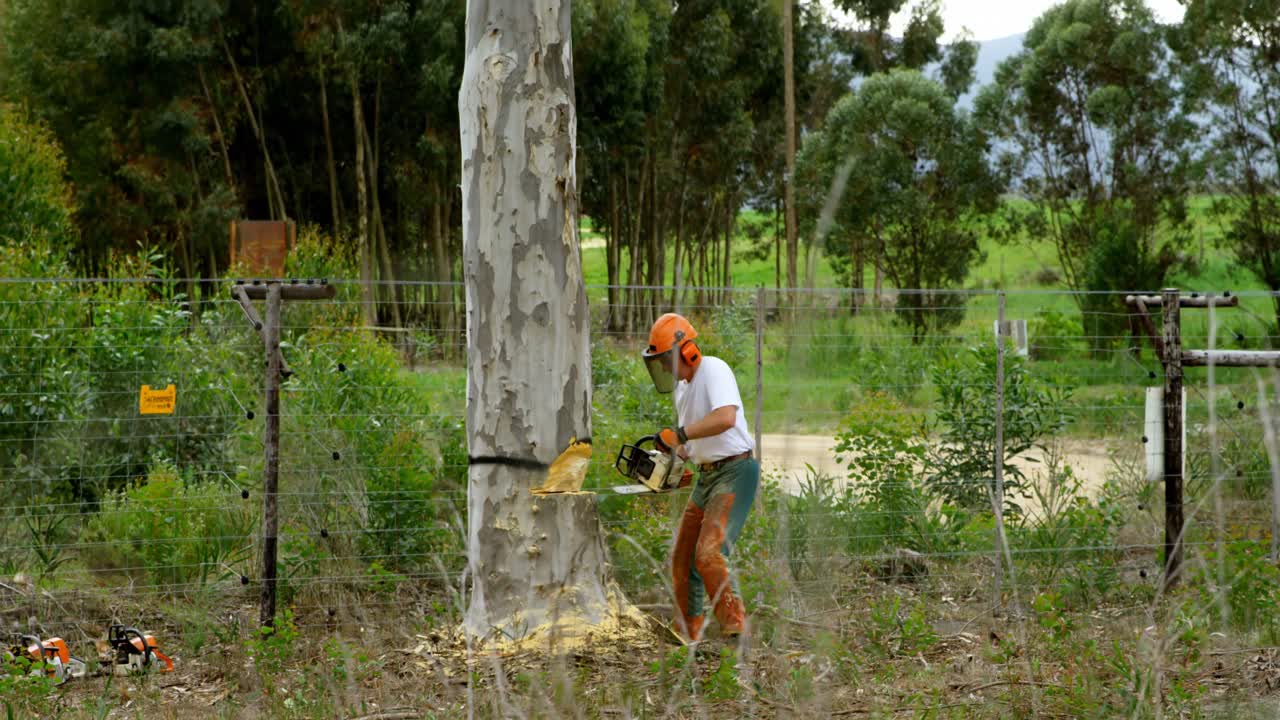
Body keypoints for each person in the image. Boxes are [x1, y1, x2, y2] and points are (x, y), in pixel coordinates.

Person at [641, 313, 759, 643]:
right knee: (682, 557)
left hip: (735, 471)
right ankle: (686, 632)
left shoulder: (714, 369)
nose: (664, 367)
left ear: (687, 351)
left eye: (665, 358)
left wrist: (679, 434)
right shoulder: (682, 390)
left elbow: (725, 417)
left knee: (710, 553)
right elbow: (691, 442)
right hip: (708, 477)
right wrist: (672, 458)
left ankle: (736, 630)